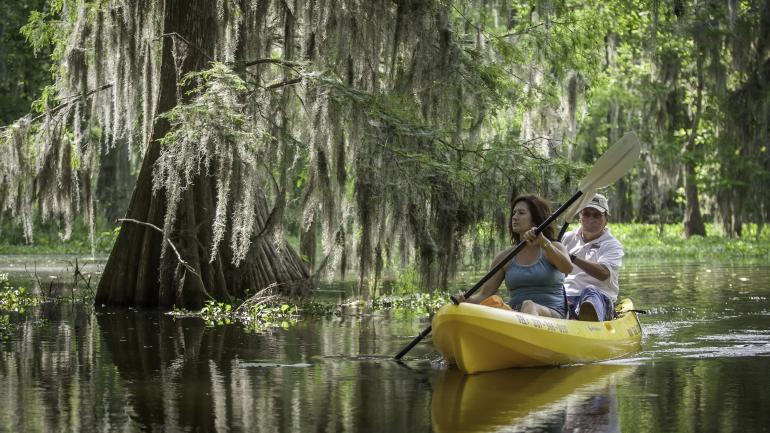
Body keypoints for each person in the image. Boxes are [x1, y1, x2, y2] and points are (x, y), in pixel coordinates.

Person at [456, 194, 573, 318]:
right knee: (494, 303)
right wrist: (464, 301)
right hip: (515, 317)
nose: (515, 217)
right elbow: (484, 295)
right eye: (514, 213)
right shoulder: (504, 257)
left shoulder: (554, 247)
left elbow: (567, 268)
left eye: (521, 213)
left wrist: (544, 242)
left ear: (535, 219)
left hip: (553, 314)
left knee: (528, 305)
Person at [562, 193, 624, 321]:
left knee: (590, 291)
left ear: (606, 219)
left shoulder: (612, 245)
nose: (591, 219)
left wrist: (572, 258)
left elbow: (604, 273)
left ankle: (590, 320)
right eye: (586, 214)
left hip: (599, 297)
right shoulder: (567, 238)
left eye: (597, 215)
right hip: (567, 296)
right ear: (580, 217)